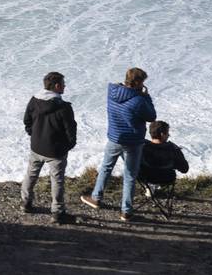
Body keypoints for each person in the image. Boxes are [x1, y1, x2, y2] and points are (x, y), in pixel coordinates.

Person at [81, 67, 156, 221]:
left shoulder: (112, 92)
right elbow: (152, 116)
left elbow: (123, 89)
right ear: (137, 82)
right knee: (129, 175)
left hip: (115, 138)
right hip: (133, 142)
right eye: (142, 81)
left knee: (106, 167)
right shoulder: (139, 100)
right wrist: (146, 97)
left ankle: (96, 198)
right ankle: (126, 211)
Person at [20, 72, 77, 224]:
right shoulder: (64, 108)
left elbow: (27, 120)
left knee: (31, 175)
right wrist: (68, 146)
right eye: (63, 83)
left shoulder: (34, 100)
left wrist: (34, 135)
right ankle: (57, 212)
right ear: (57, 86)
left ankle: (26, 203)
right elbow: (71, 131)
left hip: (37, 146)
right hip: (56, 151)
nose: (65, 86)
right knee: (57, 180)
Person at [139, 122, 189, 187]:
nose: (168, 135)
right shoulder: (172, 149)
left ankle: (150, 187)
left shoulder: (142, 146)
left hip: (144, 178)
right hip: (166, 179)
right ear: (162, 134)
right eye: (167, 133)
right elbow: (185, 169)